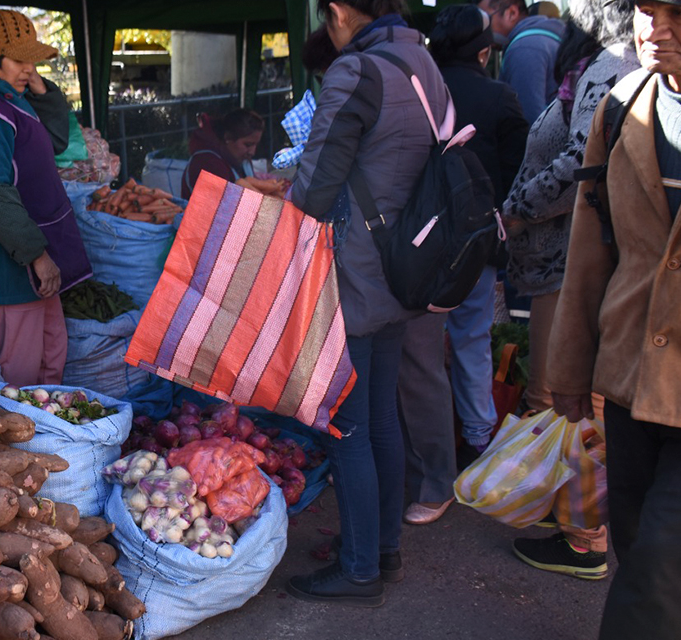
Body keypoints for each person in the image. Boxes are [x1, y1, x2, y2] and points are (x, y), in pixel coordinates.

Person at [550, 0, 681, 630]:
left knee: (664, 561)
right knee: (648, 565)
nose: (655, 30)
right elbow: (591, 248)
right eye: (645, 11)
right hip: (631, 382)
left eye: (679, 12)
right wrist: (570, 367)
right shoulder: (623, 104)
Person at [285, 0, 452, 606]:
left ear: (337, 9)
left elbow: (314, 187)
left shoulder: (355, 71)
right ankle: (382, 550)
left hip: (354, 269)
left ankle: (359, 570)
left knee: (347, 425)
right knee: (381, 416)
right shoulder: (420, 60)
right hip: (402, 263)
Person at [503, 0, 638, 580]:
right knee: (573, 398)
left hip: (569, 260)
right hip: (567, 258)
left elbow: (579, 167)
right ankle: (576, 525)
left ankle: (585, 537)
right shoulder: (606, 67)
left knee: (571, 398)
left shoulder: (607, 68)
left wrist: (516, 210)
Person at [398, 4, 529, 526]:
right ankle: (478, 439)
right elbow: (520, 172)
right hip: (477, 243)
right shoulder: (499, 96)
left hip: (421, 245)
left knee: (421, 353)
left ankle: (431, 457)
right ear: (483, 51)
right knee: (473, 339)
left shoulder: (418, 87)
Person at [0, 9, 92, 387]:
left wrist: (40, 89)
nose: (30, 69)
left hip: (38, 257)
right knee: (20, 377)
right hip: (14, 265)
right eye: (20, 60)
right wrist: (37, 257)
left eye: (34, 60)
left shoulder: (10, 96)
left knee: (51, 359)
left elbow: (56, 142)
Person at [477, 0, 566, 121]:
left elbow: (529, 121)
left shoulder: (523, 48)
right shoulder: (545, 38)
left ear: (512, 13)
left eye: (486, 20)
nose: (482, 29)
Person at [181, 108, 280, 198]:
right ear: (228, 137)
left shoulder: (243, 160)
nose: (252, 152)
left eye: (255, 145)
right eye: (248, 145)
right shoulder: (207, 163)